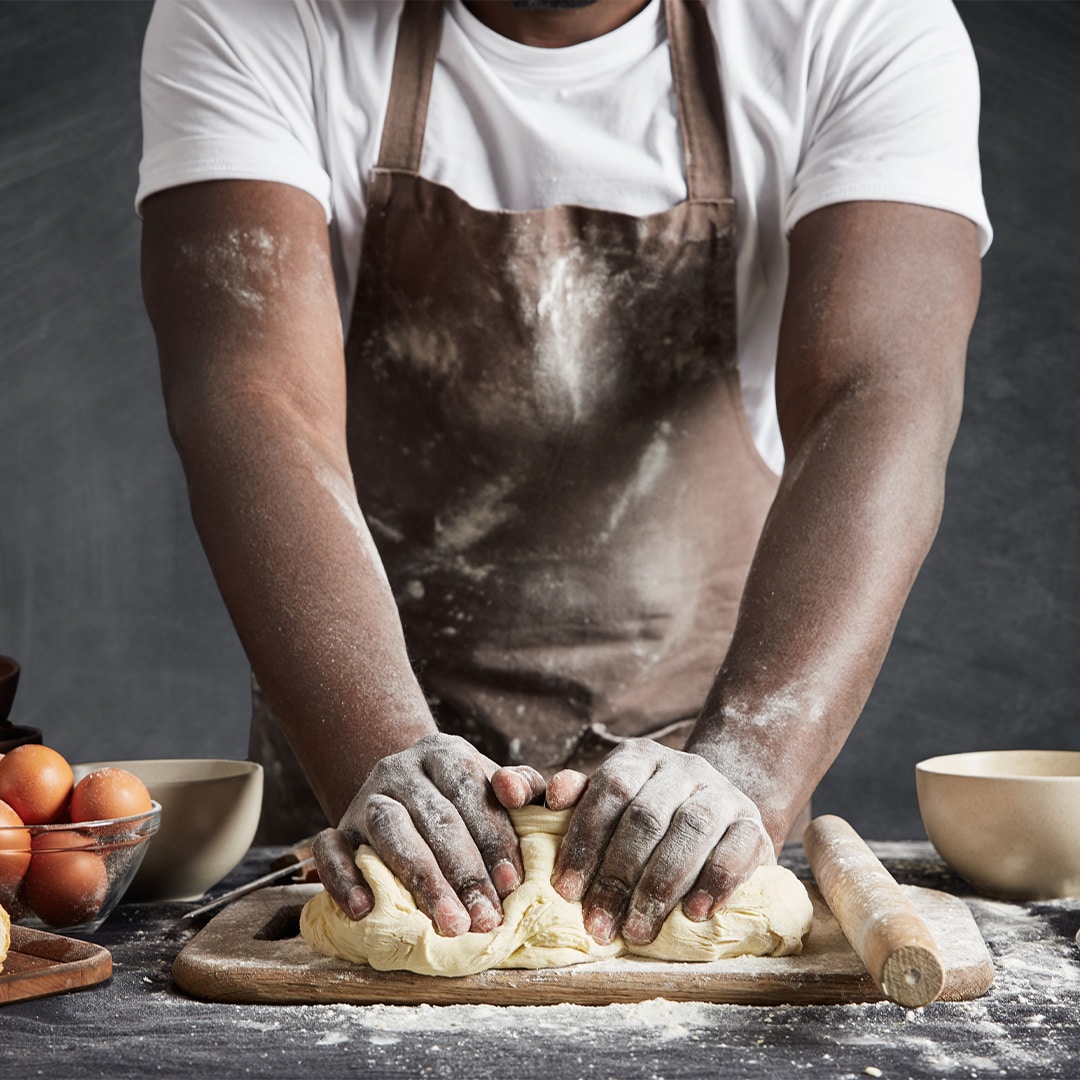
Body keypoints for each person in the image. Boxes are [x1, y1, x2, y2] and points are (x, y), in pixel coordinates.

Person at [138, 0, 989, 948]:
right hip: (362, 771)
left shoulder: (855, 19)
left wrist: (748, 770)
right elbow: (255, 407)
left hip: (685, 793)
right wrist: (381, 759)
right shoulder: (256, 15)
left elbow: (877, 401)